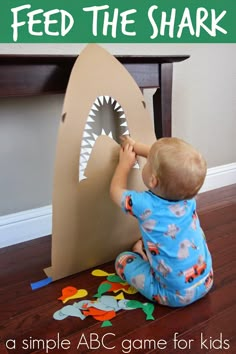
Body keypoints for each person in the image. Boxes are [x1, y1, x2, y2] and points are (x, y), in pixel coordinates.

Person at [110, 136, 213, 307]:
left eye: (149, 163)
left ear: (153, 181)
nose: (147, 160)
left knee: (122, 260)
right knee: (195, 232)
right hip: (206, 281)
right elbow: (164, 160)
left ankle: (141, 255)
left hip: (172, 295)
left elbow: (115, 191)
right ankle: (149, 255)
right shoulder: (189, 198)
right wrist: (135, 145)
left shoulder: (143, 205)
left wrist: (124, 164)